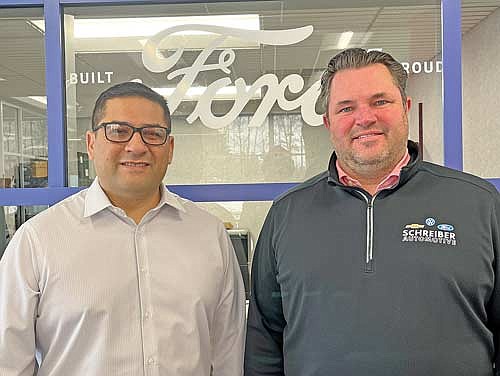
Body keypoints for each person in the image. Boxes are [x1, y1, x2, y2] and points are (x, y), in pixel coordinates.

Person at [244, 48, 500, 376]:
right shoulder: (286, 214)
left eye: (380, 102)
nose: (364, 118)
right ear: (328, 123)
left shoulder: (479, 203)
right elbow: (265, 340)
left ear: (405, 108)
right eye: (346, 107)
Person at [0, 82, 246, 376]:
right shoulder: (37, 240)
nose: (137, 146)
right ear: (91, 144)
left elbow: (228, 354)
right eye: (118, 131)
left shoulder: (209, 235)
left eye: (153, 134)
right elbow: (8, 361)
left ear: (169, 149)